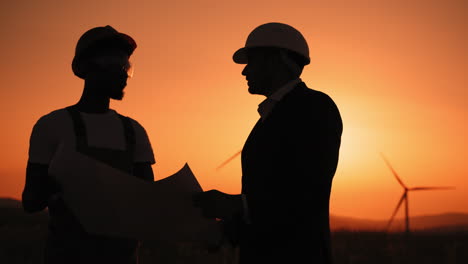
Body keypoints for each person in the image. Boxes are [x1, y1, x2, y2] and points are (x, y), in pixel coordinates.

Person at [193, 22, 342, 264]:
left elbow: (307, 190)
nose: (245, 72)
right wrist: (227, 232)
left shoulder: (315, 107)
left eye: (251, 61)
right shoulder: (272, 117)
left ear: (276, 60)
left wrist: (235, 204)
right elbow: (273, 196)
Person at [21, 25, 155, 264]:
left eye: (127, 67)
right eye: (115, 64)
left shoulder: (134, 132)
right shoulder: (51, 125)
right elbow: (31, 202)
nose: (123, 73)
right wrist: (59, 186)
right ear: (85, 68)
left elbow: (148, 199)